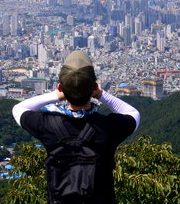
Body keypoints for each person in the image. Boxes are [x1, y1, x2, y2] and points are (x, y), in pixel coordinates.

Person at [12, 50, 140, 204]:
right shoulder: (107, 127)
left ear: (60, 88)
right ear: (94, 86)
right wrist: (100, 94)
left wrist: (57, 95)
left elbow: (18, 109)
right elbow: (133, 113)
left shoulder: (48, 126)